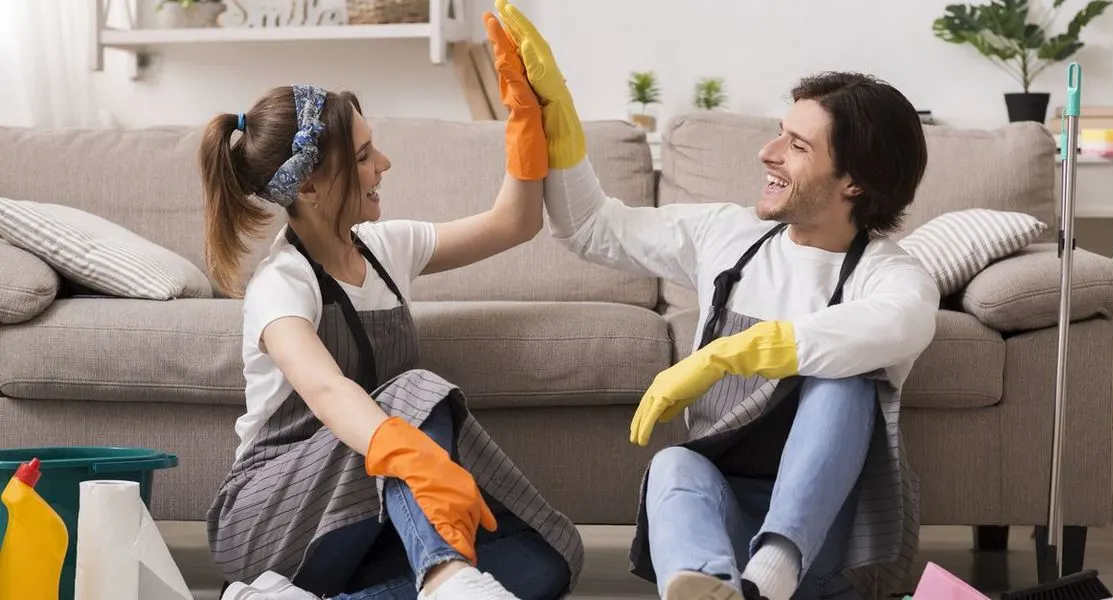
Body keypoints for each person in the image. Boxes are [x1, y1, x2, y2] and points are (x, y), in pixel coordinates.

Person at [492, 2, 941, 599]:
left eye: (798, 146)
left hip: (832, 541)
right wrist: (556, 111)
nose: (768, 152)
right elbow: (592, 228)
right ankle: (716, 587)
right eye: (780, 132)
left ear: (854, 182)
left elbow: (899, 325)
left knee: (846, 382)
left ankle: (773, 573)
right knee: (675, 466)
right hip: (724, 526)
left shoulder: (890, 276)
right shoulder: (727, 236)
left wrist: (724, 355)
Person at [201, 12, 581, 600]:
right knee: (413, 391)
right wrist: (407, 450)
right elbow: (326, 389)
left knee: (547, 559)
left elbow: (515, 222)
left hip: (362, 511)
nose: (384, 164)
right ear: (307, 187)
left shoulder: (382, 247)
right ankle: (444, 575)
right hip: (269, 518)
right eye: (363, 155)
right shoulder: (282, 282)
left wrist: (524, 117)